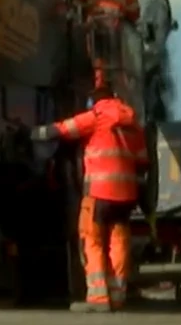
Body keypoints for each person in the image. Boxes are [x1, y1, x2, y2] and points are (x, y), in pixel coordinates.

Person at [31, 83, 149, 311]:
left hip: (99, 192)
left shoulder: (97, 116)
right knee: (119, 241)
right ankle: (117, 296)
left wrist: (34, 133)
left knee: (91, 240)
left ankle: (97, 297)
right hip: (126, 195)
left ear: (94, 101)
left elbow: (63, 129)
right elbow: (143, 161)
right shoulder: (133, 123)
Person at [76, 0, 141, 92]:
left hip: (94, 28)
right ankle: (119, 87)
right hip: (116, 30)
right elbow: (134, 13)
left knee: (98, 58)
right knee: (117, 61)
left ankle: (100, 85)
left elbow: (77, 8)